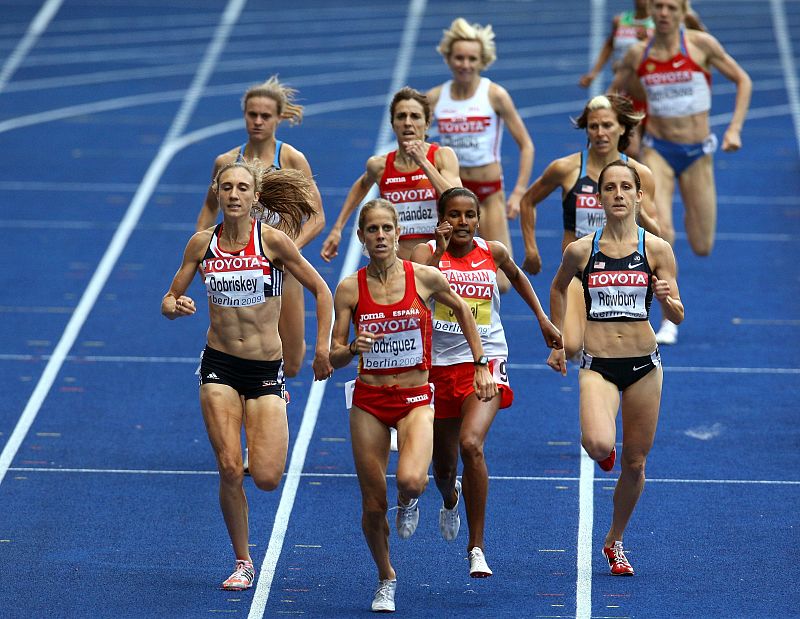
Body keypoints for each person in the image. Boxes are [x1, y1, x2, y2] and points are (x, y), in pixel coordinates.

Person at [162, 162, 333, 590]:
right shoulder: (202, 244)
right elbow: (170, 296)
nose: (234, 194)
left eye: (242, 188)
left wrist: (321, 348)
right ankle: (243, 561)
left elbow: (322, 291)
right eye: (227, 187)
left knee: (268, 478)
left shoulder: (272, 242)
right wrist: (174, 305)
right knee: (228, 466)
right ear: (217, 194)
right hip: (219, 365)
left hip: (264, 370)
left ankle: (275, 407)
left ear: (255, 197)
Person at [329, 198, 496, 612]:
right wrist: (352, 347)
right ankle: (386, 577)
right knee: (372, 503)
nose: (381, 236)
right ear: (362, 237)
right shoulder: (350, 287)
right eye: (373, 230)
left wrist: (480, 364)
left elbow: (464, 311)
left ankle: (424, 497)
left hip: (416, 399)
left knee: (410, 481)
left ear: (398, 233)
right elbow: (332, 355)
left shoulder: (424, 277)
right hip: (369, 399)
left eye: (387, 229)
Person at [410, 187, 562, 578]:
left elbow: (519, 277)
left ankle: (476, 547)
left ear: (478, 219)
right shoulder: (426, 256)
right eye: (454, 215)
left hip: (486, 359)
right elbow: (415, 301)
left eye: (468, 215)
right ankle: (449, 499)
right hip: (438, 367)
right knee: (442, 471)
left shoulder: (491, 251)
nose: (462, 222)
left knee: (471, 444)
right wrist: (442, 252)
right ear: (440, 218)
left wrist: (542, 319)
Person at [546, 160, 683, 576]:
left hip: (645, 366)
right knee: (600, 445)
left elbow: (677, 316)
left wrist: (665, 299)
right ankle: (603, 452)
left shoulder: (656, 249)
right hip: (598, 366)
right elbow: (556, 286)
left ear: (640, 195)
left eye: (627, 187)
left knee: (636, 462)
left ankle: (614, 540)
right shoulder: (581, 251)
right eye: (610, 188)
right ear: (600, 198)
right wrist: (556, 339)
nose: (619, 194)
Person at [611, 0, 750, 344]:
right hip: (658, 151)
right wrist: (630, 134)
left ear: (683, 11)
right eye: (658, 6)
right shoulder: (638, 55)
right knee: (663, 233)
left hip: (698, 153)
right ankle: (668, 317)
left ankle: (688, 213)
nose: (663, 13)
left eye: (672, 7)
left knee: (702, 244)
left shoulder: (701, 45)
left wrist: (734, 129)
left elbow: (742, 80)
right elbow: (615, 96)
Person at [197, 75, 325, 378]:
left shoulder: (291, 159)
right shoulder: (226, 162)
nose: (257, 121)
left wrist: (289, 250)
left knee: (292, 362)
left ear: (279, 118)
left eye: (265, 116)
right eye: (251, 115)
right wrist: (204, 249)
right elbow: (208, 207)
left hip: (282, 266)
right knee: (239, 347)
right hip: (240, 266)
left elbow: (317, 217)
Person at [519, 94, 659, 361]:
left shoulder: (640, 175)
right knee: (569, 345)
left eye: (607, 125)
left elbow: (656, 233)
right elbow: (528, 201)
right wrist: (531, 248)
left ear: (622, 128)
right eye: (593, 126)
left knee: (618, 351)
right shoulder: (566, 168)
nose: (600, 133)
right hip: (579, 271)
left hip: (622, 276)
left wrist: (638, 211)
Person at [427, 17, 535, 292]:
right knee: (447, 268)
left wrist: (519, 191)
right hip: (452, 192)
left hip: (488, 194)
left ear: (482, 60)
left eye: (471, 59)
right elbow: (417, 147)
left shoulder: (494, 94)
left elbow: (526, 145)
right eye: (459, 58)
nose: (465, 64)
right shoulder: (435, 98)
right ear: (449, 59)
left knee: (502, 281)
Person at [320, 87, 461, 263]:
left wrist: (423, 163)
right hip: (398, 266)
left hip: (438, 261)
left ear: (427, 123)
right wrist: (337, 228)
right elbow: (362, 185)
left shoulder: (442, 156)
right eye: (401, 116)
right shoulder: (379, 165)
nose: (408, 123)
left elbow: (458, 201)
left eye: (415, 116)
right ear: (393, 123)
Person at [579, 1, 705, 156]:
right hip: (628, 97)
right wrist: (594, 72)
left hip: (657, 99)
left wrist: (651, 39)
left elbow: (695, 41)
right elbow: (609, 44)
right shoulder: (620, 20)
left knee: (657, 152)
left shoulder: (662, 22)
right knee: (631, 150)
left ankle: (651, 176)